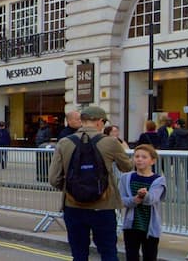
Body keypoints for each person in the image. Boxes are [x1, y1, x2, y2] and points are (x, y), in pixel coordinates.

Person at [49, 105, 132, 261]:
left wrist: (72, 188)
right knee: (108, 252)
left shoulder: (64, 142)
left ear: (82, 121)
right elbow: (126, 167)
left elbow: (54, 179)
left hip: (73, 206)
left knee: (79, 254)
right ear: (100, 122)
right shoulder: (110, 142)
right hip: (103, 206)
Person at [120, 144, 165, 261]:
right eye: (137, 156)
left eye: (144, 157)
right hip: (131, 225)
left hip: (149, 227)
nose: (139, 159)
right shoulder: (126, 178)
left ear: (153, 161)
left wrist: (145, 195)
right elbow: (121, 200)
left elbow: (153, 199)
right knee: (131, 256)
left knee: (150, 256)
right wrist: (134, 200)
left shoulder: (158, 180)